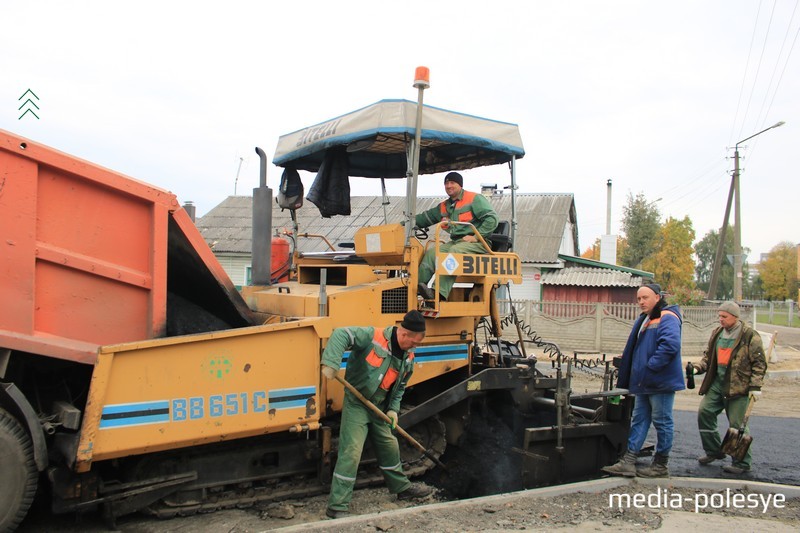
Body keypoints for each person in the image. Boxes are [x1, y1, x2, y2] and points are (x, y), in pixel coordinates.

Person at [320, 310, 433, 519]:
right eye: (414, 342)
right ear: (404, 334)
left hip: (380, 407)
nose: (415, 347)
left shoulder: (408, 356)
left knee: (390, 446)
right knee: (352, 451)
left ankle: (401, 488)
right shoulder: (373, 336)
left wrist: (393, 410)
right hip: (358, 403)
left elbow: (400, 388)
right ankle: (337, 506)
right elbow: (341, 334)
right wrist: (332, 363)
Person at [602, 283, 684, 478]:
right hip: (645, 382)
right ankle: (628, 461)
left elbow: (670, 345)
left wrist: (650, 367)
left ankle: (661, 465)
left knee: (662, 422)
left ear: (657, 297)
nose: (641, 302)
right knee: (639, 419)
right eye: (638, 299)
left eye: (645, 298)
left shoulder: (668, 317)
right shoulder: (646, 319)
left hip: (659, 382)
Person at [692, 301, 767, 475]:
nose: (721, 320)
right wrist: (698, 368)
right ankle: (713, 451)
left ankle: (741, 462)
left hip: (738, 387)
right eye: (719, 316)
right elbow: (709, 358)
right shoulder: (717, 334)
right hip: (717, 384)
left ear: (735, 316)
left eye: (724, 317)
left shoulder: (749, 336)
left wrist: (755, 386)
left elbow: (759, 363)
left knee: (737, 424)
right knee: (705, 412)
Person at [414, 171, 499, 303]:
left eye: (452, 182)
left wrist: (476, 237)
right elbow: (426, 218)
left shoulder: (474, 199)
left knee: (453, 253)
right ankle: (417, 289)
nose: (449, 186)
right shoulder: (445, 206)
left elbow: (492, 219)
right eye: (446, 183)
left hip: (479, 243)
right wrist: (404, 224)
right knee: (432, 253)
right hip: (457, 242)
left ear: (460, 185)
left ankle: (438, 293)